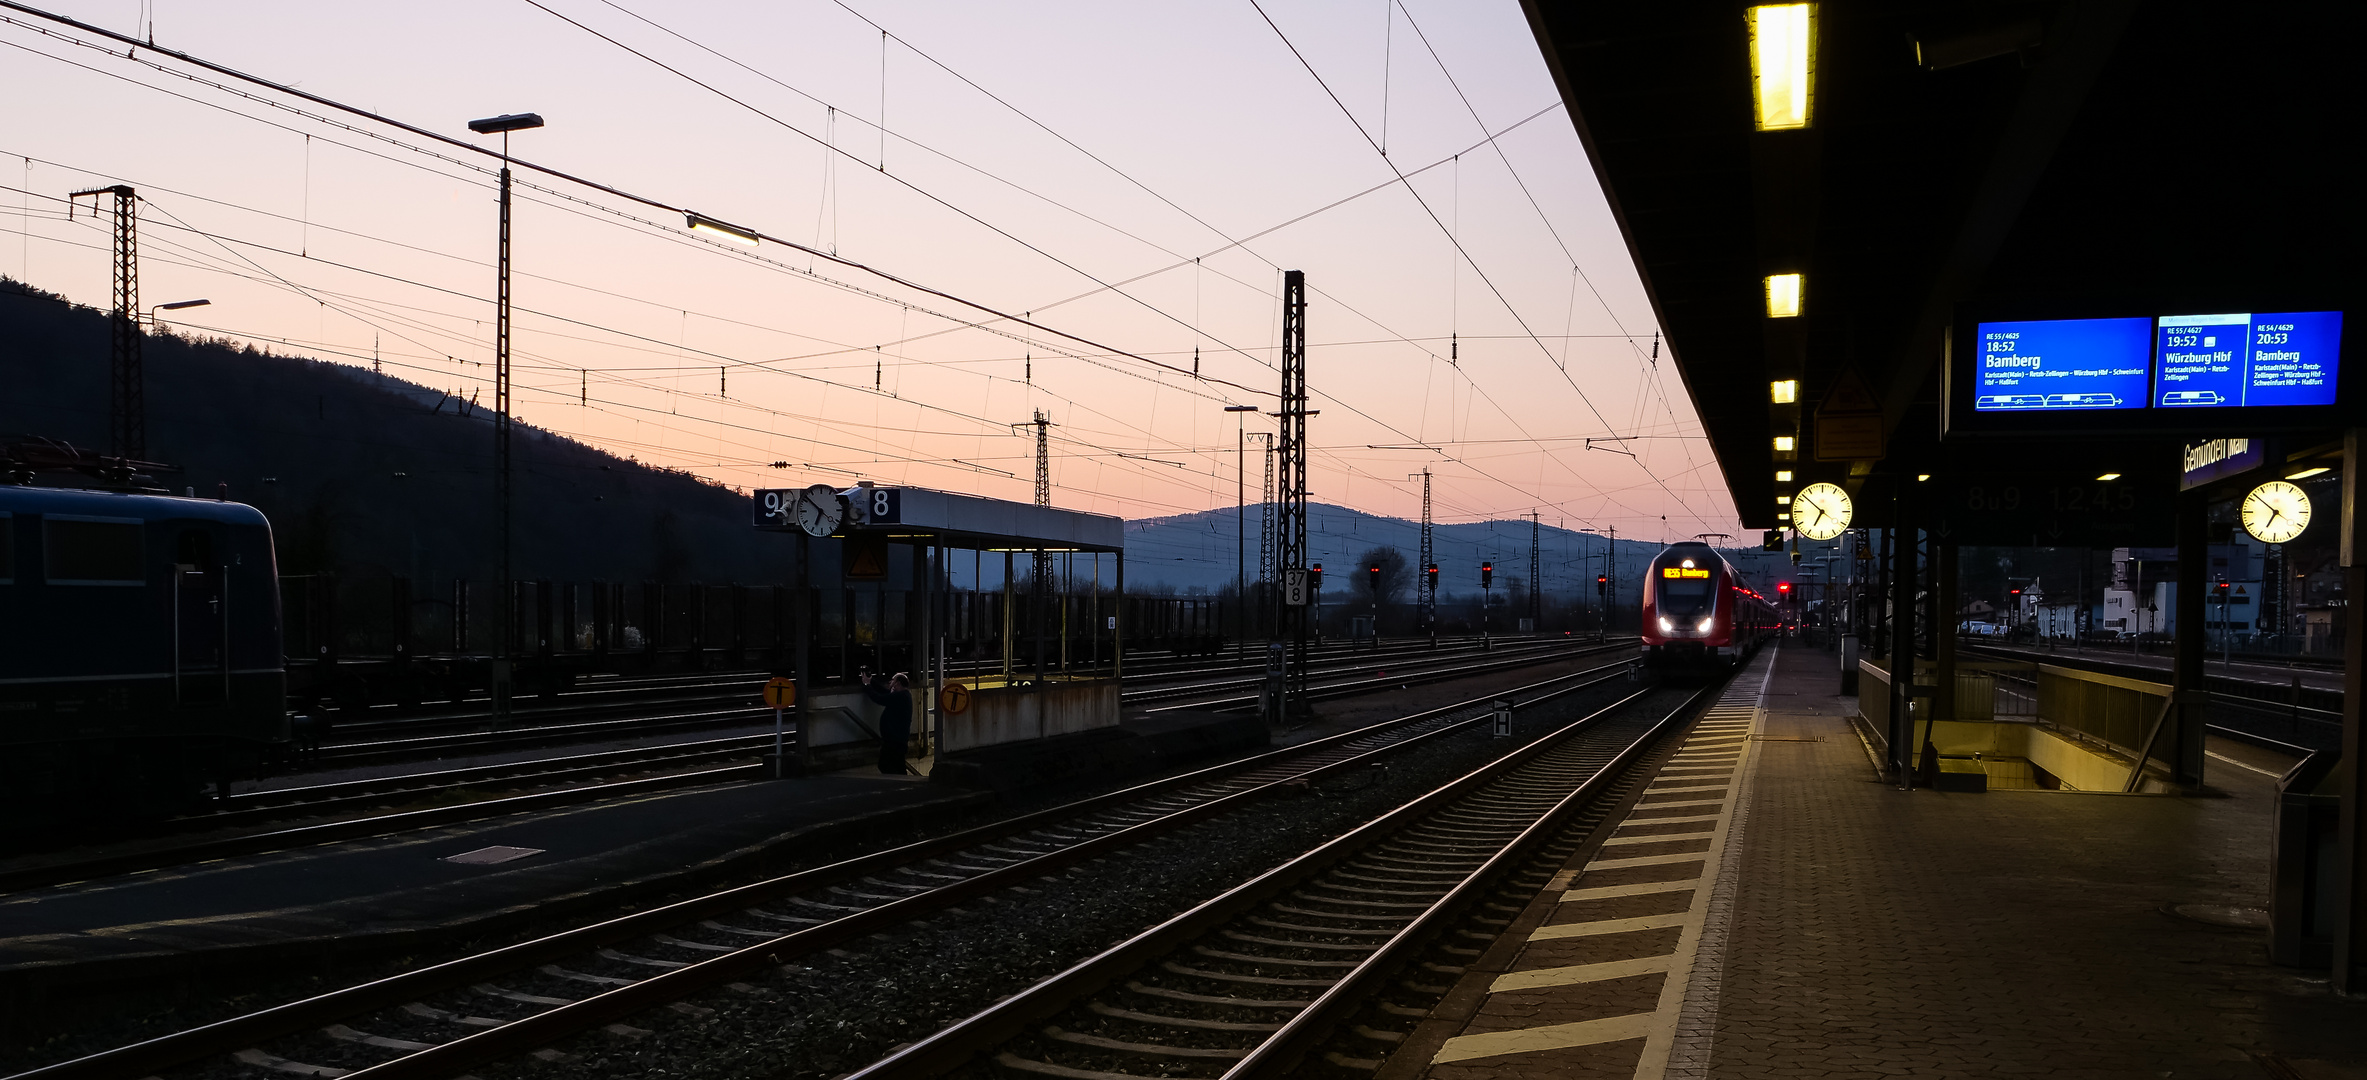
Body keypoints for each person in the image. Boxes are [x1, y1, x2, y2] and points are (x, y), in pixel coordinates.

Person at [864, 672, 914, 774]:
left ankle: (899, 784)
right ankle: (902, 784)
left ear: (897, 683)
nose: (890, 683)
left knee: (885, 764)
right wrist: (871, 680)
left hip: (894, 740)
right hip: (897, 740)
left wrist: (867, 685)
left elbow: (879, 698)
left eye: (892, 681)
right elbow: (884, 692)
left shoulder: (900, 696)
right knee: (897, 765)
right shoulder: (903, 696)